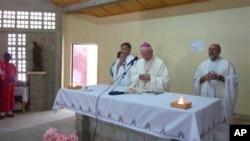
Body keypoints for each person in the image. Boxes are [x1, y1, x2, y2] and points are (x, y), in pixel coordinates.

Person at [193, 43, 239, 141]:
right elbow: (196, 79)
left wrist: (219, 77)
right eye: (209, 49)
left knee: (222, 124)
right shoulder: (202, 65)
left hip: (221, 102)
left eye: (214, 49)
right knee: (207, 124)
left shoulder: (226, 64)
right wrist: (204, 77)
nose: (211, 51)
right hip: (206, 102)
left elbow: (234, 80)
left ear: (219, 51)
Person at [0, 52, 17, 119]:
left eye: (9, 57)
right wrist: (7, 79)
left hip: (11, 84)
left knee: (10, 98)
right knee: (3, 98)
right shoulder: (1, 64)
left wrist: (14, 79)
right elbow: (1, 74)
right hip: (4, 84)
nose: (9, 58)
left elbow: (15, 74)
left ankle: (9, 111)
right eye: (7, 57)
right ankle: (2, 112)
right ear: (5, 57)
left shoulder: (12, 65)